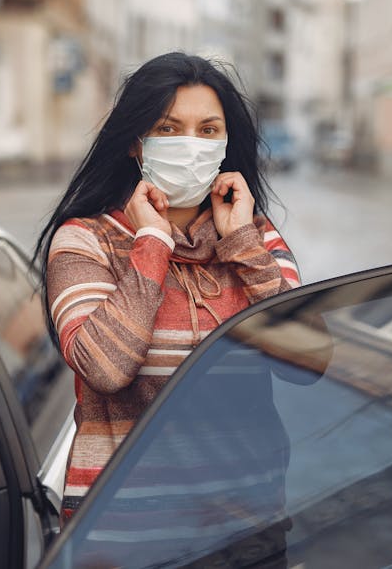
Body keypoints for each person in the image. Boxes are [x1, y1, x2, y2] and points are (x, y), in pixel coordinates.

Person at [32, 52, 301, 521]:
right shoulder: (84, 241)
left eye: (208, 130)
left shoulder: (256, 239)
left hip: (245, 529)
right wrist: (152, 242)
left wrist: (240, 240)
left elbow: (306, 359)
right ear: (136, 143)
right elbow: (105, 369)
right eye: (168, 128)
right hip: (122, 537)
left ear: (225, 143)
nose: (191, 145)